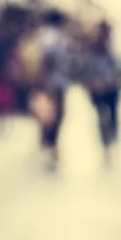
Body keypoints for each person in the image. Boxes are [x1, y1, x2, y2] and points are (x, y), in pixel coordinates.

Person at [35, 9, 71, 170]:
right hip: (53, 83)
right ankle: (51, 143)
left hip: (54, 82)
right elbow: (46, 59)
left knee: (51, 114)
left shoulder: (47, 35)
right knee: (54, 115)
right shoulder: (51, 36)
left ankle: (49, 142)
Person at [85, 20, 121, 162]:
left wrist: (110, 81)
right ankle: (106, 143)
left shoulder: (112, 48)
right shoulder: (93, 49)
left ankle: (110, 140)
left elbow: (116, 69)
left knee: (111, 116)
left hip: (111, 89)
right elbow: (88, 68)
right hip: (98, 90)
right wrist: (94, 83)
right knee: (102, 116)